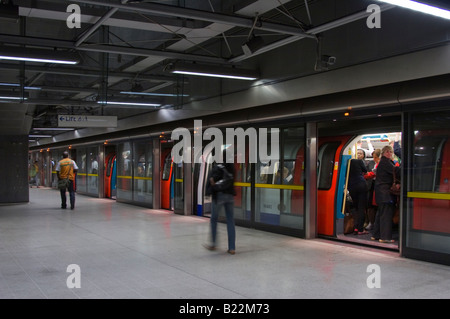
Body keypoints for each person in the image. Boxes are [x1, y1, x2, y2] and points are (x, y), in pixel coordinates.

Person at [204, 150, 236, 254]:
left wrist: (211, 187)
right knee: (230, 220)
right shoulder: (232, 168)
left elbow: (212, 180)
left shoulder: (218, 167)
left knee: (214, 219)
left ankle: (213, 244)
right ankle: (232, 248)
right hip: (230, 196)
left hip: (219, 196)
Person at [371, 145, 401, 243]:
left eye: (390, 152)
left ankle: (376, 235)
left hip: (381, 193)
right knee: (386, 215)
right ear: (383, 153)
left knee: (380, 214)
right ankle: (385, 237)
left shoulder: (383, 162)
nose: (389, 153)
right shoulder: (386, 163)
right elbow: (396, 171)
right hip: (385, 194)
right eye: (387, 152)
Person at [347, 149, 368, 235]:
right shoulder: (359, 161)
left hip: (351, 186)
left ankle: (356, 227)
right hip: (361, 185)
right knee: (361, 208)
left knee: (355, 207)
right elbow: (365, 171)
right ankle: (360, 229)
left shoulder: (346, 163)